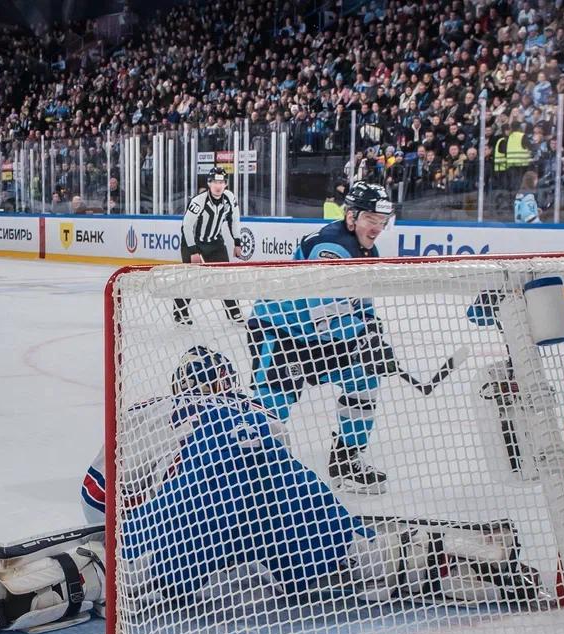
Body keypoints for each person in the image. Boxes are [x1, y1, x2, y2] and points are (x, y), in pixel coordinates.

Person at [81, 346, 537, 609]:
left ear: (179, 386)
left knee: (120, 572)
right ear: (230, 383)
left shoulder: (148, 411)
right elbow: (270, 475)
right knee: (358, 559)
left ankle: (65, 583)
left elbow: (94, 500)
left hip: (194, 509)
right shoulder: (255, 411)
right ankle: (459, 560)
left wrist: (133, 523)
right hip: (270, 484)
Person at [246, 183, 395, 494]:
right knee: (272, 407)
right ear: (351, 217)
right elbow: (326, 316)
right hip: (281, 331)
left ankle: (345, 462)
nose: (378, 228)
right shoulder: (331, 245)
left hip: (317, 338)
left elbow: (361, 304)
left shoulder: (367, 250)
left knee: (364, 378)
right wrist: (364, 338)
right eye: (371, 219)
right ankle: (250, 474)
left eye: (382, 221)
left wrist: (373, 333)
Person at [176, 166, 243, 325]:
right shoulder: (198, 201)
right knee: (189, 280)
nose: (218, 185)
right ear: (209, 183)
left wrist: (237, 242)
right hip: (193, 243)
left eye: (221, 182)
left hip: (215, 243)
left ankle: (234, 313)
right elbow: (186, 226)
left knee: (224, 278)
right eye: (214, 182)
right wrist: (192, 251)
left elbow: (234, 220)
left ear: (226, 184)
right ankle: (180, 314)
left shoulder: (230, 198)